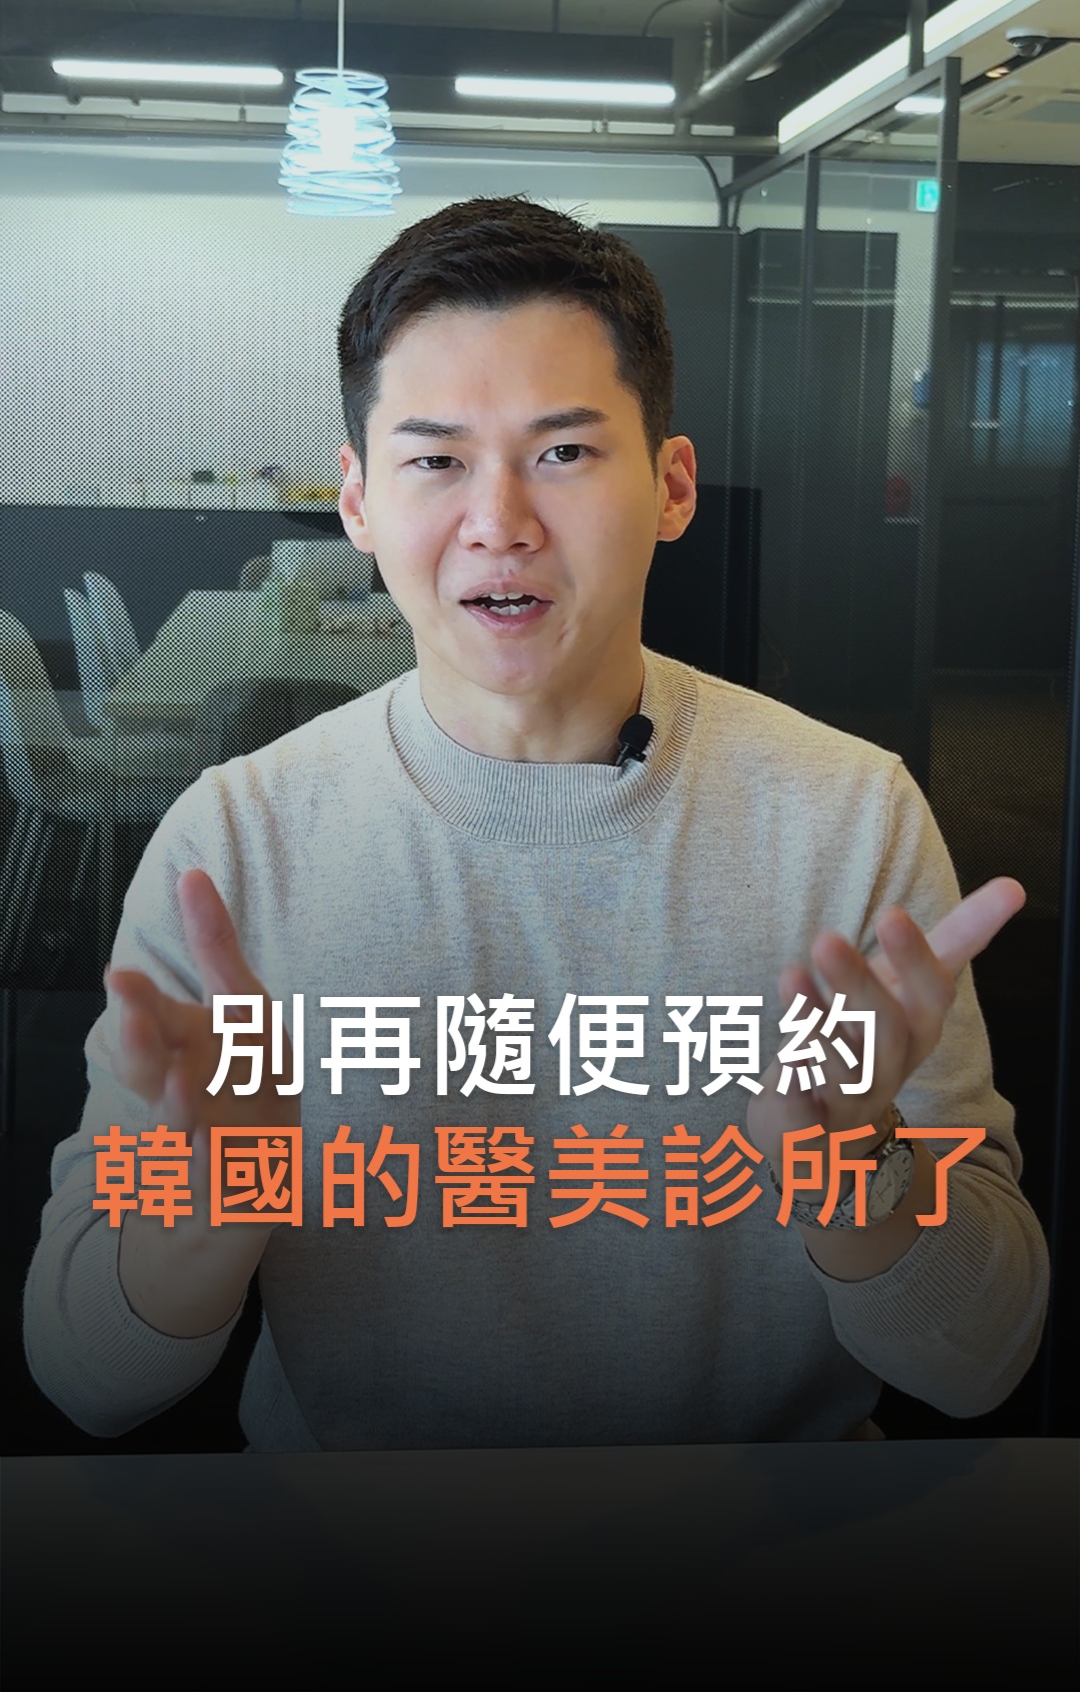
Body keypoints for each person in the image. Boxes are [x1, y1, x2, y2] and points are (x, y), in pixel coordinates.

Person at [24, 198, 1047, 1449]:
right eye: (435, 460)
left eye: (562, 452)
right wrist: (217, 1202)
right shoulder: (231, 848)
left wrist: (860, 1170)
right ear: (357, 501)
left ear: (672, 486)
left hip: (765, 1543)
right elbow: (85, 1373)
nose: (499, 520)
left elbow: (983, 1361)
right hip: (360, 1548)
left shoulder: (845, 816)